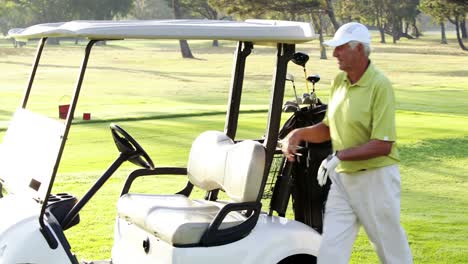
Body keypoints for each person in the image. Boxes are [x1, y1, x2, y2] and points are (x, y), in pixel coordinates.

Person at [282, 22, 413, 264]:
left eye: (340, 48)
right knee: (331, 249)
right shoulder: (339, 81)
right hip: (343, 180)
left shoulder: (379, 85)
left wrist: (338, 156)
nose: (334, 54)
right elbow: (327, 129)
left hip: (376, 180)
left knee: (391, 251)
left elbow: (383, 144)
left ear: (359, 50)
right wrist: (298, 134)